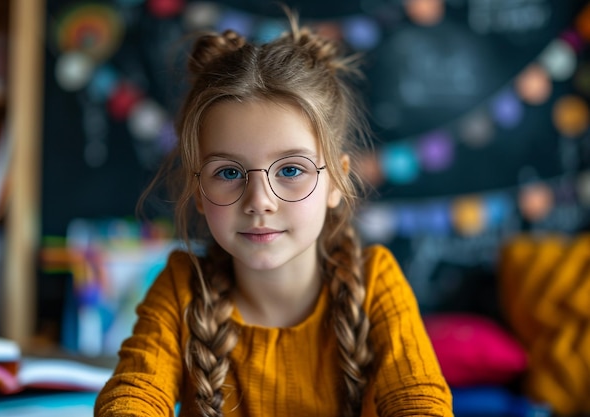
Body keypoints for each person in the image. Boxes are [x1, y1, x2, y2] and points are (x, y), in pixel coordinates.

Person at [94, 9, 453, 417]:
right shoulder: (181, 290)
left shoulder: (375, 283)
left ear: (336, 181)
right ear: (197, 189)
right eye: (228, 172)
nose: (260, 200)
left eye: (291, 170)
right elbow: (134, 394)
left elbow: (419, 401)